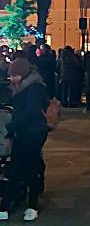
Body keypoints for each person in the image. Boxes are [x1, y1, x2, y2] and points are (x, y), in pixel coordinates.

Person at [0, 58, 50, 221]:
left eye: (14, 76)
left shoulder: (34, 88)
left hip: (34, 132)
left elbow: (30, 112)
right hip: (22, 132)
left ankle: (32, 206)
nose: (12, 79)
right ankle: (6, 205)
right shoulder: (20, 87)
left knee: (29, 168)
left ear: (22, 74)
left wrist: (10, 129)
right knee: (15, 168)